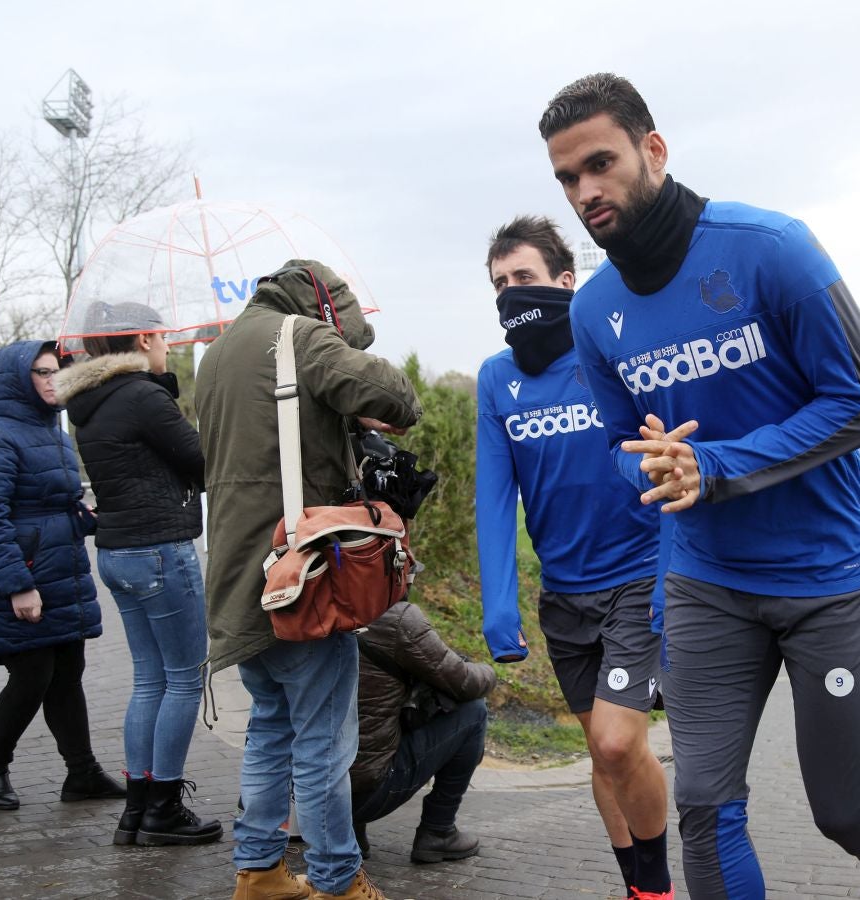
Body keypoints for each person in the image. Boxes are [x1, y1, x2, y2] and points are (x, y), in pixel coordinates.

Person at [540, 74, 860, 900]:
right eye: (568, 178)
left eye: (600, 164)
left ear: (654, 149)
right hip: (704, 584)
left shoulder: (771, 246)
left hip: (826, 576)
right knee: (707, 809)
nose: (585, 191)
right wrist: (646, 464)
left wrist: (717, 466)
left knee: (845, 811)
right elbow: (617, 445)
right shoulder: (592, 308)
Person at [197, 260, 422, 900]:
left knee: (269, 725)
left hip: (239, 578)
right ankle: (337, 881)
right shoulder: (299, 336)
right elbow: (399, 398)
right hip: (302, 579)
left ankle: (259, 871)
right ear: (329, 309)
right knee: (324, 743)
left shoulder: (214, 357)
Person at [476, 215, 673, 900]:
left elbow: (664, 459)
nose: (511, 292)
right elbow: (495, 498)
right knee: (602, 753)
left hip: (636, 580)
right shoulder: (497, 379)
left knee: (620, 743)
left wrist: (672, 571)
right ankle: (637, 886)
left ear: (566, 280)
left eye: (524, 277)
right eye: (499, 283)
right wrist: (499, 606)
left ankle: (657, 884)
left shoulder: (614, 355)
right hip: (563, 595)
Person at [55, 301, 221, 848]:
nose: (167, 346)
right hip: (159, 551)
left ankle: (137, 807)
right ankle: (165, 809)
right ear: (145, 338)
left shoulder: (87, 401)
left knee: (149, 678)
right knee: (183, 677)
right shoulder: (143, 396)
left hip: (118, 554)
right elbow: (201, 461)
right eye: (162, 338)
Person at [0, 341, 125, 811]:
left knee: (68, 674)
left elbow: (55, 505)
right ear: (15, 380)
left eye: (56, 370)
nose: (54, 379)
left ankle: (83, 774)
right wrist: (18, 585)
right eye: (42, 372)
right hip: (20, 577)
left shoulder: (52, 432)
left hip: (61, 573)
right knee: (32, 676)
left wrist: (88, 518)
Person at [349, 600, 496, 863]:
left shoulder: (309, 604)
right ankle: (438, 830)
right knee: (473, 711)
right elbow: (463, 682)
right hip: (367, 794)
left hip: (308, 792)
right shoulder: (395, 619)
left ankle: (348, 833)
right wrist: (489, 672)